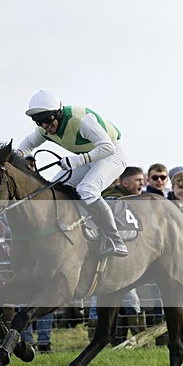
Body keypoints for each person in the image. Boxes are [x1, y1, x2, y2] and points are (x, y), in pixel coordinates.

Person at [16, 90, 127, 256]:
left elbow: (107, 147)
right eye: (38, 122)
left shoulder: (81, 121)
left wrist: (78, 160)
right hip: (91, 157)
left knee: (87, 189)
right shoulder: (43, 130)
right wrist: (15, 158)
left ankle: (116, 240)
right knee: (54, 189)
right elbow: (28, 144)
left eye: (47, 119)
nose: (45, 125)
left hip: (112, 154)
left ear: (58, 113)